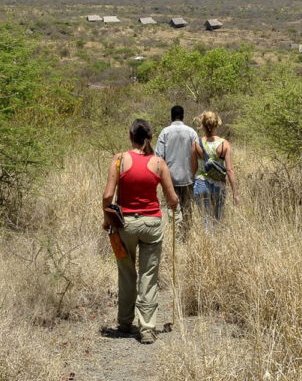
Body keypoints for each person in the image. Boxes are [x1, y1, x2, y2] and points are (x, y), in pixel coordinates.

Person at [102, 119, 178, 345]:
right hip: (152, 225)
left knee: (126, 273)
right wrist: (175, 208)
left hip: (125, 225)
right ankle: (146, 328)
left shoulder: (118, 160)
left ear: (130, 136)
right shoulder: (158, 163)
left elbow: (107, 196)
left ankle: (125, 322)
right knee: (148, 276)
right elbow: (172, 198)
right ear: (149, 137)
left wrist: (107, 218)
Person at [155, 105, 199, 234]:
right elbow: (197, 153)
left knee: (172, 208)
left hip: (170, 178)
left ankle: (176, 235)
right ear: (183, 116)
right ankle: (186, 233)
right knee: (187, 207)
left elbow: (159, 157)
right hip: (188, 177)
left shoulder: (165, 132)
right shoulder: (192, 132)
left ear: (171, 116)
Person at [191, 111, 239, 225]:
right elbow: (230, 170)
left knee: (205, 219)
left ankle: (207, 241)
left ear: (202, 124)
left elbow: (193, 168)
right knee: (218, 220)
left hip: (200, 184)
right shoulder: (224, 144)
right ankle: (216, 241)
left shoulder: (196, 143)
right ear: (216, 124)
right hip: (219, 185)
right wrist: (235, 193)